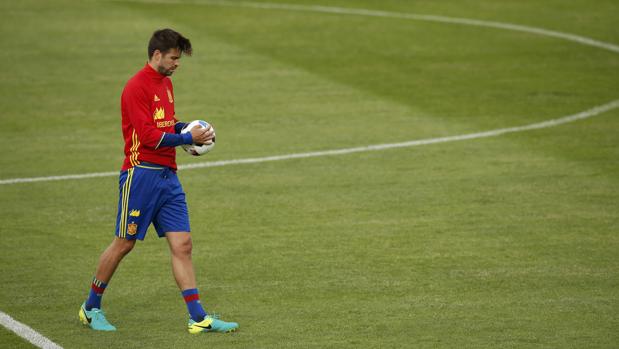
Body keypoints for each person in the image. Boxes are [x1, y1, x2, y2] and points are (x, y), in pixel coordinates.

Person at [78, 28, 238, 334]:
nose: (177, 64)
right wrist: (185, 137)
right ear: (157, 55)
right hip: (141, 175)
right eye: (174, 58)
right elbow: (148, 136)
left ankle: (198, 317)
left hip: (168, 177)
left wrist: (191, 132)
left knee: (183, 244)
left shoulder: (166, 84)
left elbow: (165, 124)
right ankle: (90, 308)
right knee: (124, 243)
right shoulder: (135, 87)